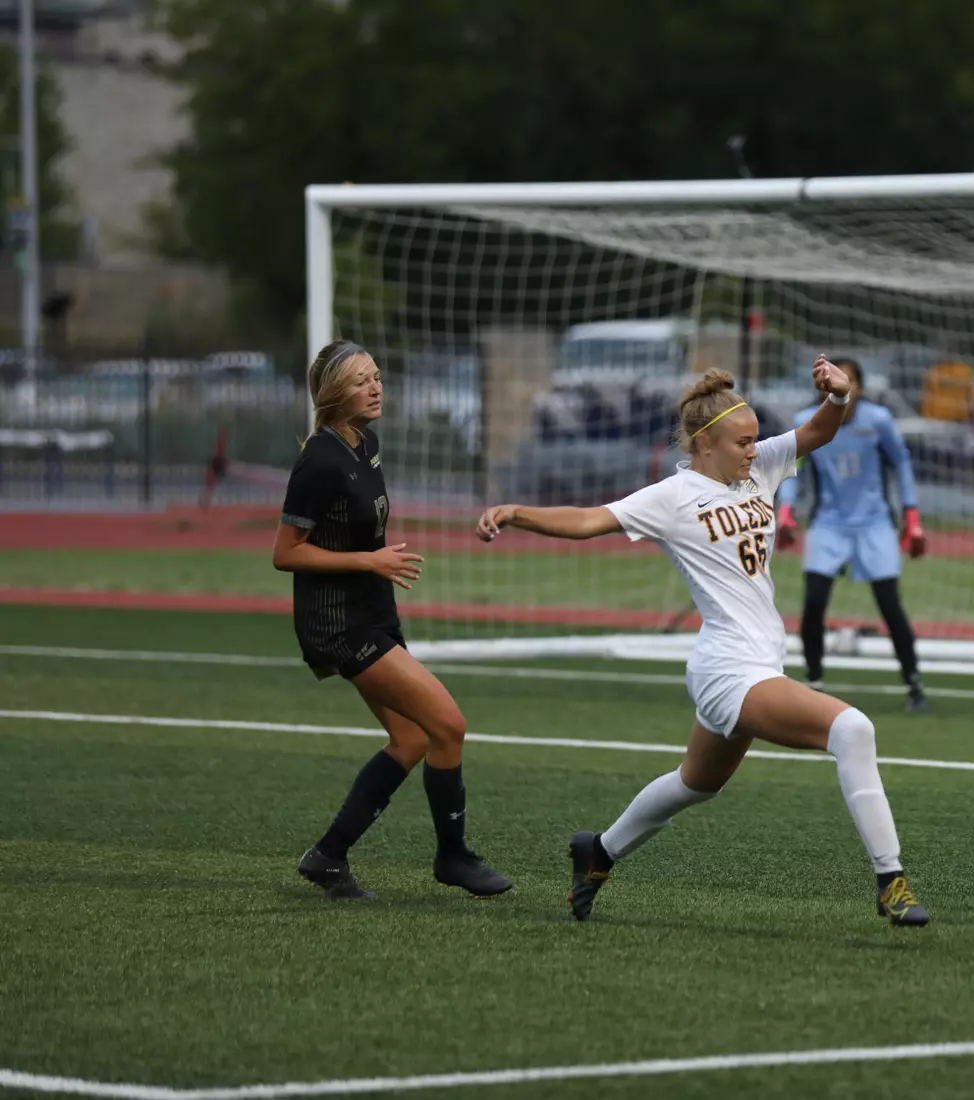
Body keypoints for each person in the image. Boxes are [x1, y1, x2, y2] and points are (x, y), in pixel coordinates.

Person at [475, 360, 930, 927]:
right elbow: (590, 520)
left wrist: (837, 398)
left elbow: (817, 432)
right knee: (853, 729)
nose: (754, 450)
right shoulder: (674, 495)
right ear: (704, 444)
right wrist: (515, 512)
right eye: (743, 442)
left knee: (696, 783)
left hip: (758, 663)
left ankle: (600, 851)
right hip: (729, 670)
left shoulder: (758, 467)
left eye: (756, 440)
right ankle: (891, 880)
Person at [274, 339, 511, 901]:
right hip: (339, 623)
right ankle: (452, 857)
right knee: (447, 726)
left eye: (377, 377)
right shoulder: (319, 458)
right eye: (362, 381)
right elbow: (286, 553)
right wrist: (369, 561)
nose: (376, 388)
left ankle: (328, 856)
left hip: (373, 610)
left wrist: (374, 569)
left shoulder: (366, 444)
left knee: (410, 738)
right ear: (334, 393)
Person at [774, 357, 929, 711]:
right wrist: (786, 512)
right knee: (814, 602)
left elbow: (901, 462)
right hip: (829, 523)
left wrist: (912, 516)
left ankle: (914, 684)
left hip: (874, 523)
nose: (842, 386)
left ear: (858, 386)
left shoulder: (878, 420)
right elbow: (793, 466)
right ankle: (814, 682)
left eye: (850, 380)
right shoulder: (806, 422)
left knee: (890, 605)